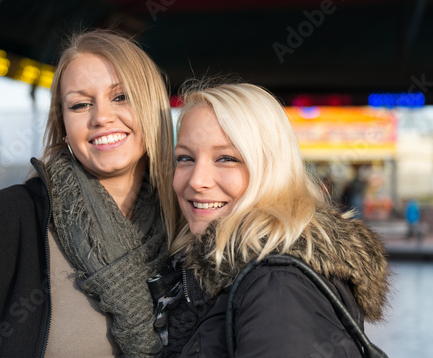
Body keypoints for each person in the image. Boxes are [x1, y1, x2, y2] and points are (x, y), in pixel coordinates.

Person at [0, 29, 178, 358]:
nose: (101, 117)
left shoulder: (187, 226)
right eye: (80, 104)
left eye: (121, 97)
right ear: (63, 126)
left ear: (153, 107)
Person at [149, 83, 390, 357]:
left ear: (271, 169)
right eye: (185, 158)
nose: (197, 180)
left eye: (226, 158)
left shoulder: (278, 285)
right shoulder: (212, 268)